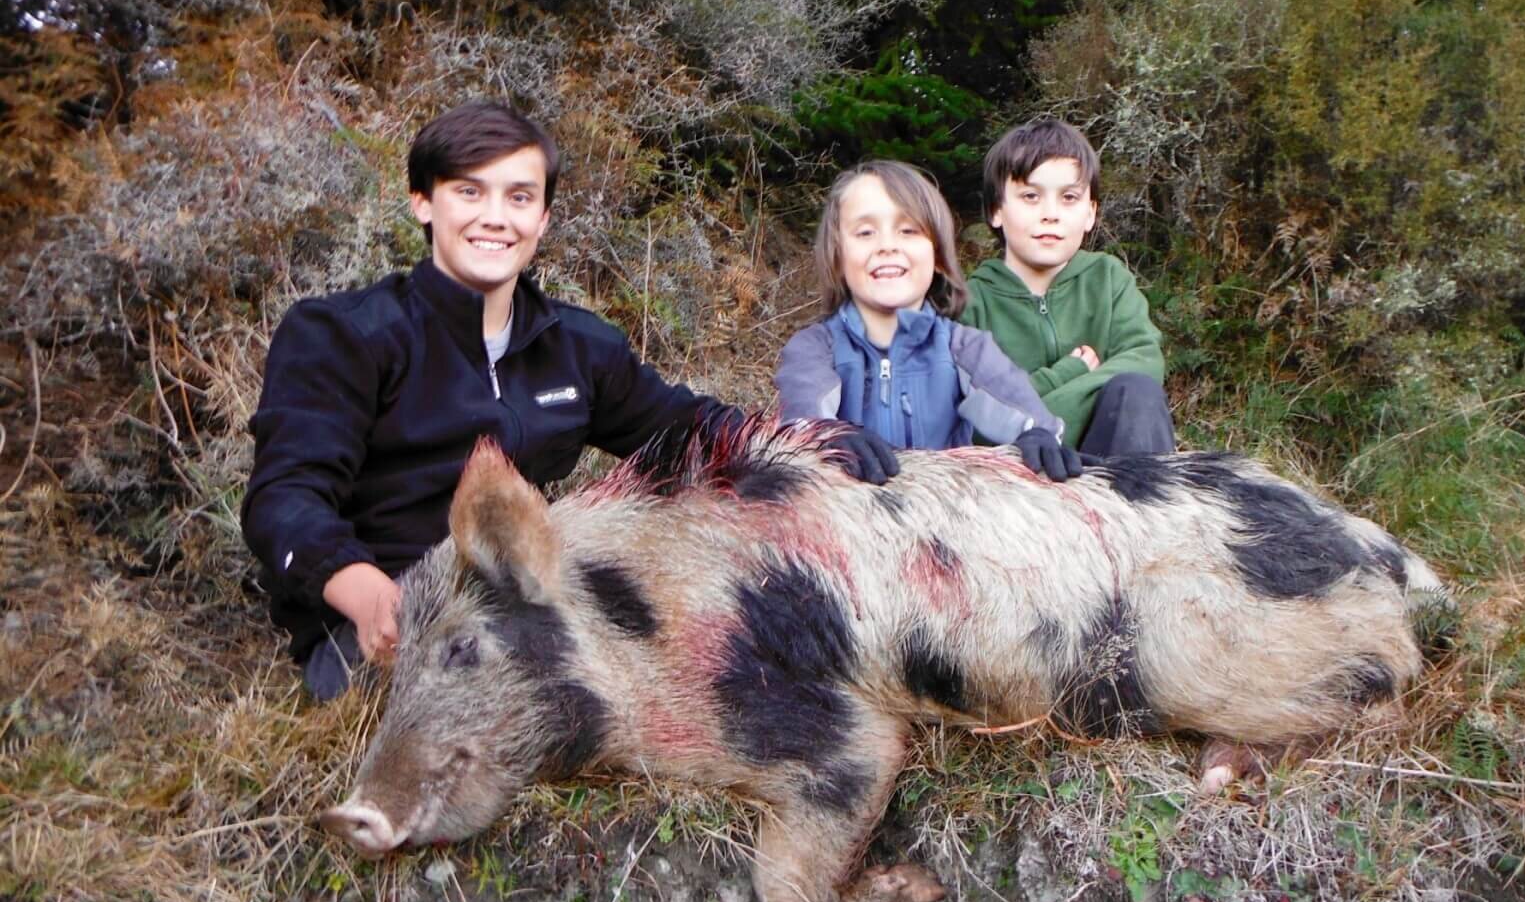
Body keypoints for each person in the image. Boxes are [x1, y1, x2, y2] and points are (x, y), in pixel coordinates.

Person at [244, 101, 768, 702]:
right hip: (382, 626)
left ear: (542, 218)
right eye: (470, 192)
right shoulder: (342, 336)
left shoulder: (578, 347)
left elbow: (689, 427)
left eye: (519, 198)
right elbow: (284, 499)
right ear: (423, 201)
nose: (495, 218)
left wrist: (807, 446)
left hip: (527, 608)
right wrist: (366, 594)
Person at [774, 159, 1082, 481]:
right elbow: (801, 421)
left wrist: (1038, 435)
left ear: (937, 257)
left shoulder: (965, 347)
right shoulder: (813, 348)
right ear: (837, 257)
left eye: (908, 230)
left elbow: (1028, 416)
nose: (887, 246)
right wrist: (827, 439)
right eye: (865, 232)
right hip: (845, 519)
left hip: (945, 519)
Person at [961, 118, 1176, 456]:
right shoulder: (969, 305)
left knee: (1136, 391)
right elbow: (981, 424)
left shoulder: (1109, 280)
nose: (1051, 214)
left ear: (1090, 213)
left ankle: (1154, 509)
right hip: (1019, 481)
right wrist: (1068, 373)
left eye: (1069, 197)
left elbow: (1145, 362)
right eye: (1031, 196)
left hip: (1110, 475)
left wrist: (1029, 407)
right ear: (996, 211)